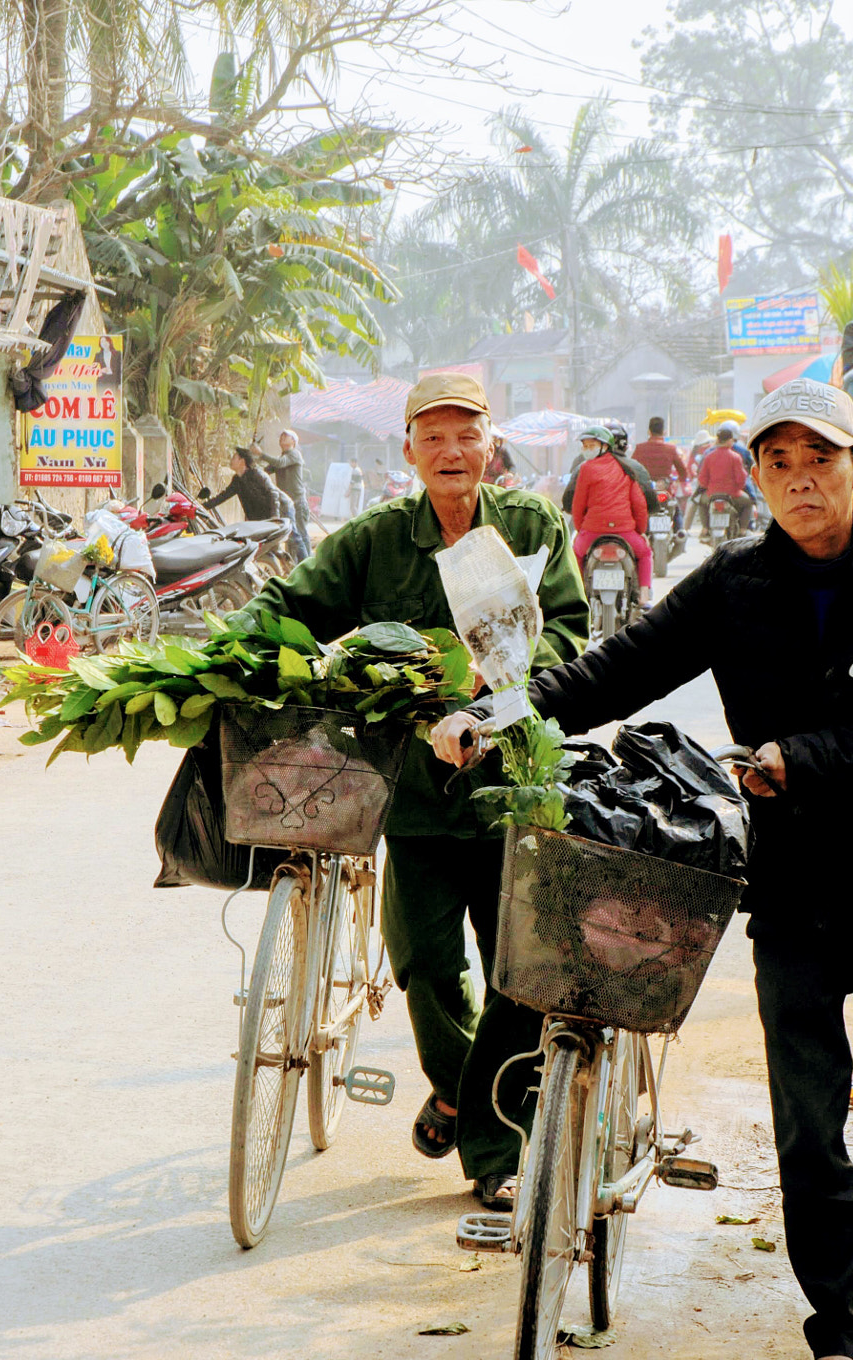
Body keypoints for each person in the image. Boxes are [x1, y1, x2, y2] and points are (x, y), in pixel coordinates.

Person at [433, 376, 853, 1360]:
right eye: (776, 462)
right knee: (808, 1127)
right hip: (794, 891)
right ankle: (836, 1315)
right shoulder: (732, 583)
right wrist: (493, 716)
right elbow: (616, 667)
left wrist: (800, 757)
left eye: (819, 458)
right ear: (755, 476)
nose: (798, 479)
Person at [246, 372, 589, 1211]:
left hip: (513, 784)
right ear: (407, 451)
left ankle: (492, 1147)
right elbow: (293, 605)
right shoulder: (375, 540)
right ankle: (461, 1088)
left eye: (465, 435)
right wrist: (241, 655)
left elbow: (573, 635)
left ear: (491, 446)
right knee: (425, 964)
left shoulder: (535, 528)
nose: (451, 451)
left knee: (518, 971)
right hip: (416, 797)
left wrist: (507, 690)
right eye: (431, 437)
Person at [565, 423, 657, 605]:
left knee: (575, 554)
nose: (587, 450)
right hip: (625, 531)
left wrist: (581, 529)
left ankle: (578, 596)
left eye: (591, 445)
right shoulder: (627, 469)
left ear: (605, 446)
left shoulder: (586, 468)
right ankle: (644, 595)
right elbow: (639, 505)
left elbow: (578, 504)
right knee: (645, 553)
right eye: (585, 446)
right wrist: (640, 531)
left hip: (592, 531)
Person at [262, 430, 315, 563]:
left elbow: (279, 463)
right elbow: (267, 470)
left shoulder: (294, 454)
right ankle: (295, 564)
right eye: (281, 436)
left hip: (297, 501)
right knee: (291, 535)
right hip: (287, 503)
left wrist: (260, 454)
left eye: (286, 436)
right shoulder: (282, 458)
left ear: (293, 442)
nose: (282, 437)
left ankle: (309, 563)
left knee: (301, 533)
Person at [633, 415, 690, 534]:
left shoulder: (640, 448)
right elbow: (682, 470)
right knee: (676, 509)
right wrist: (681, 479)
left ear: (649, 431)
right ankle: (680, 532)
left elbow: (632, 468)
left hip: (646, 492)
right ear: (664, 432)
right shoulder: (670, 448)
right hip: (665, 492)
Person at [697, 420, 753, 540]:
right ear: (729, 441)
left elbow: (702, 479)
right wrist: (737, 488)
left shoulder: (709, 456)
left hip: (711, 494)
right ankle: (743, 530)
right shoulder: (735, 457)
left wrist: (709, 487)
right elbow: (741, 479)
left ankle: (705, 528)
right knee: (748, 503)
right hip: (733, 495)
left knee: (702, 502)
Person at [202, 446, 282, 522]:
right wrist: (202, 507)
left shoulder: (257, 474)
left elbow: (273, 494)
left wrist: (275, 517)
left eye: (234, 458)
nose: (231, 461)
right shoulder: (237, 480)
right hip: (256, 521)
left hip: (273, 517)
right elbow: (223, 496)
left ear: (242, 461)